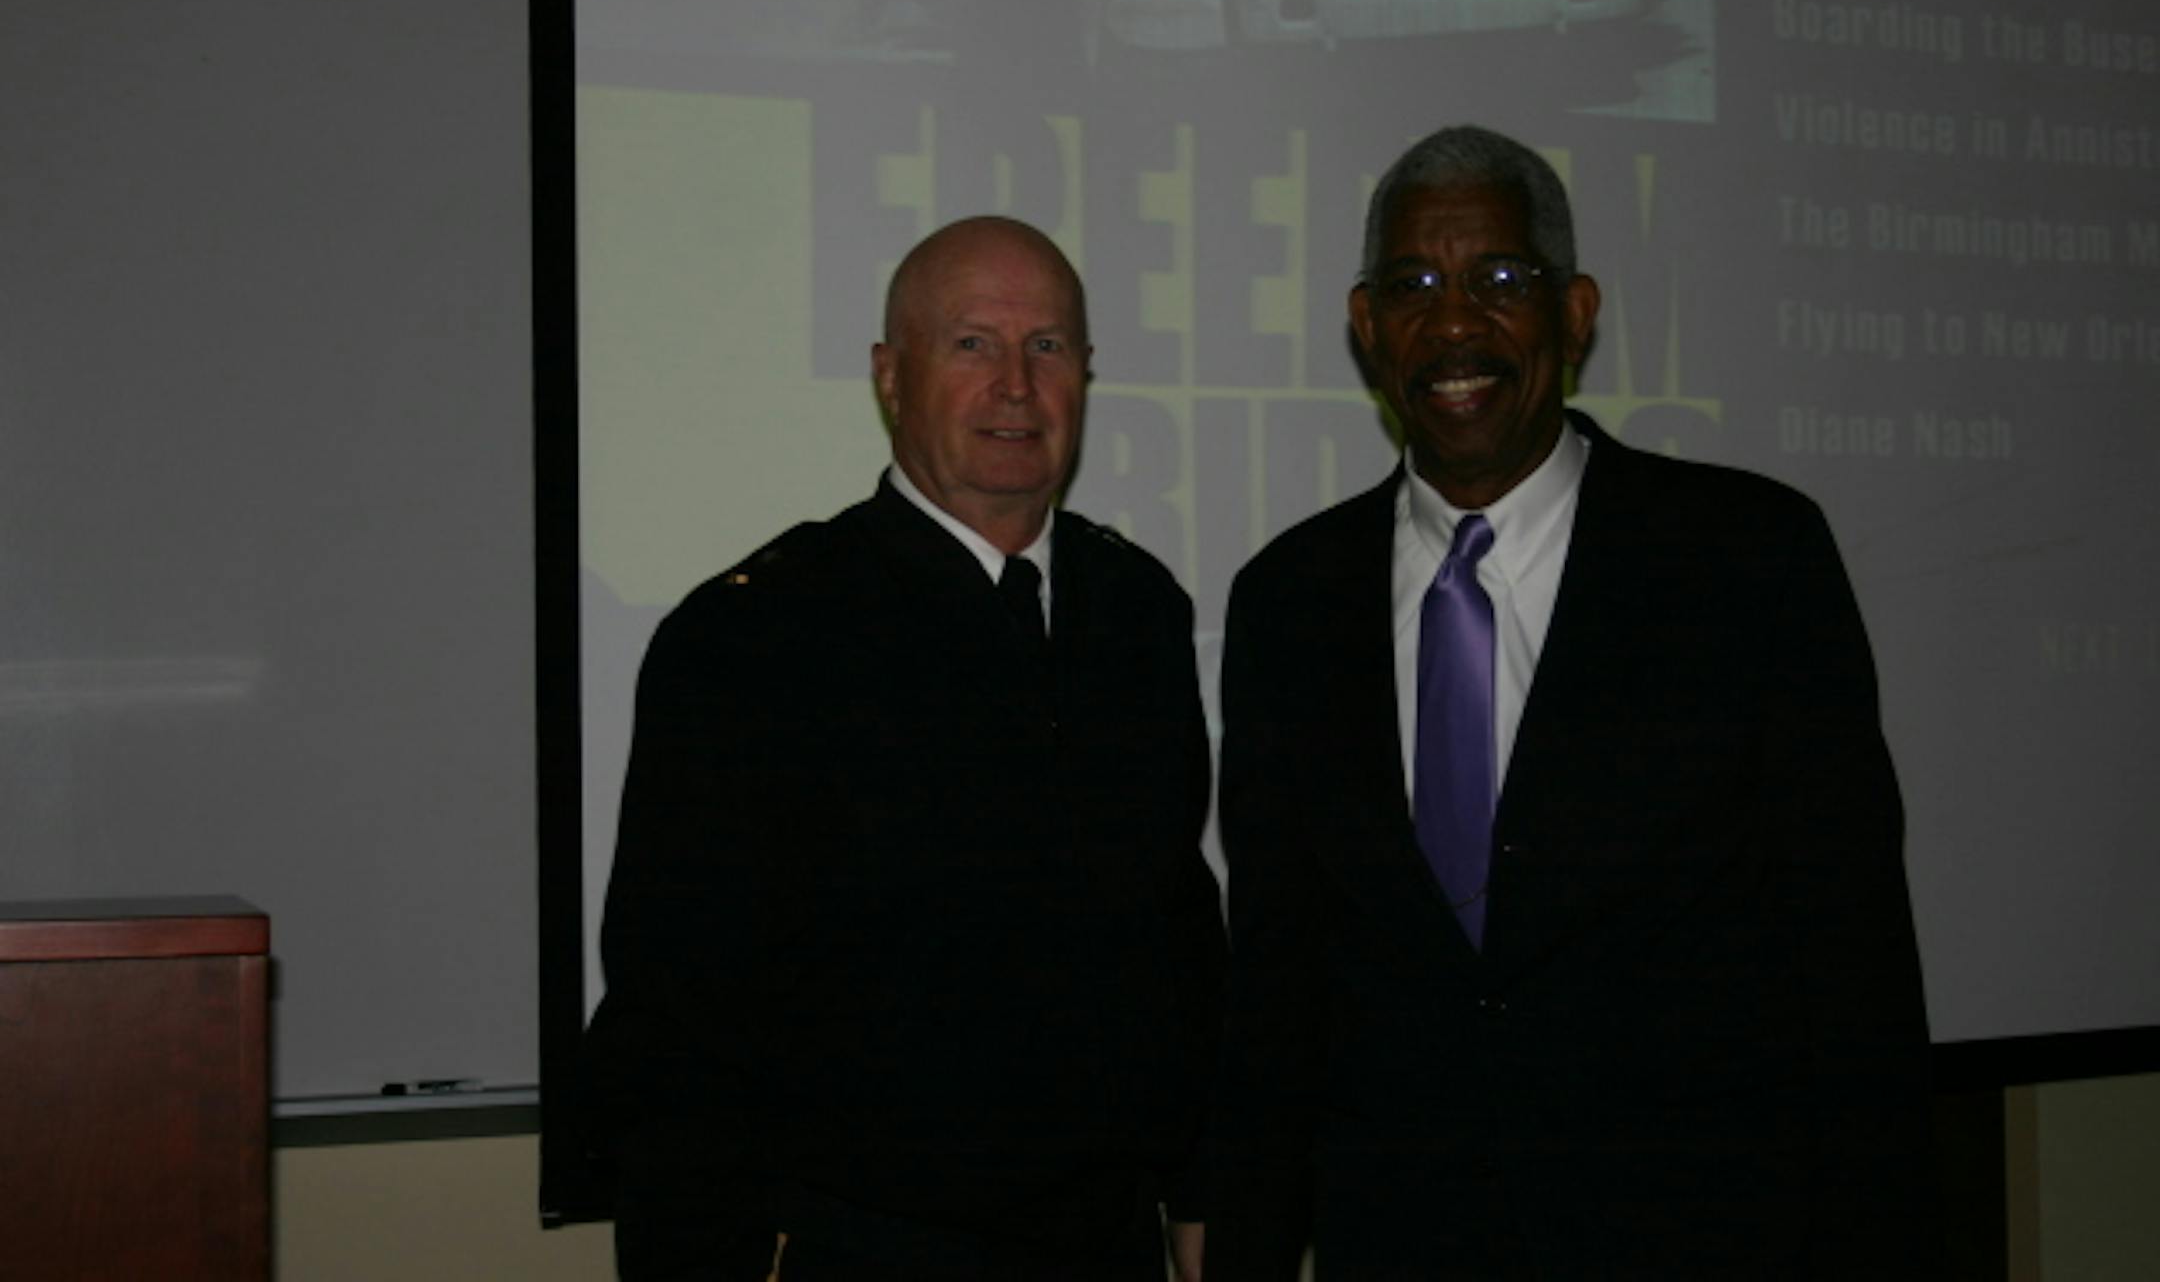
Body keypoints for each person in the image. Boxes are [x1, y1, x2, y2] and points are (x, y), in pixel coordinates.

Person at [1205, 127, 1937, 1280]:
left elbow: (1855, 971)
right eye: (1413, 287)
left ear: (1576, 311)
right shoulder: (1287, 604)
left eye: (1499, 281)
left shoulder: (1748, 560)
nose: (1453, 325)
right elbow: (1278, 991)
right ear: (1366, 326)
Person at [587, 217, 1223, 1281]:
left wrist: (1206, 1198)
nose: (1017, 386)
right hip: (865, 1249)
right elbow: (675, 1021)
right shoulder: (756, 637)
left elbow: (1178, 939)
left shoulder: (1138, 610)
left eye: (1050, 347)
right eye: (972, 344)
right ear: (891, 377)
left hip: (1108, 1248)